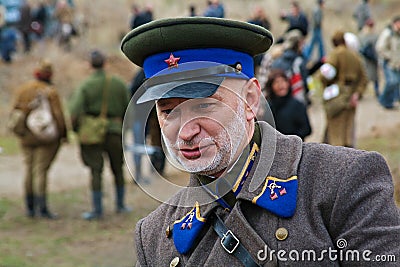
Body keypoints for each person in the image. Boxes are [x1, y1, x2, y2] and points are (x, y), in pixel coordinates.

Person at [121, 17, 399, 266]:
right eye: (169, 111)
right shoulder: (154, 235)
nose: (185, 132)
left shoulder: (343, 181)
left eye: (204, 106)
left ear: (251, 100)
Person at [69, 50, 131, 220]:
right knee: (118, 168)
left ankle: (97, 210)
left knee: (96, 170)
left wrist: (77, 129)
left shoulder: (86, 85)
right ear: (105, 63)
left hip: (93, 133)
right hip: (115, 131)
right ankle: (121, 205)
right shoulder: (119, 84)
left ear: (90, 65)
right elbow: (129, 108)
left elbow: (74, 111)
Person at [12, 59, 67, 219]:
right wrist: (63, 134)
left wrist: (20, 132)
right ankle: (42, 208)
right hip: (46, 138)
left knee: (29, 169)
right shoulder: (51, 91)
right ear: (49, 75)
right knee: (40, 171)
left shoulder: (23, 90)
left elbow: (14, 113)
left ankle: (30, 208)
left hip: (26, 137)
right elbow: (58, 115)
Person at [319, 30, 368, 147]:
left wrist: (326, 83)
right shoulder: (355, 57)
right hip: (351, 96)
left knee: (335, 131)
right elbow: (364, 79)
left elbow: (325, 74)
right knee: (348, 130)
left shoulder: (335, 54)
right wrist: (357, 94)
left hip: (337, 96)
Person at [265, 69, 312, 141]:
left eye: (283, 81)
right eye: (276, 82)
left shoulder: (297, 104)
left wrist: (290, 139)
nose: (281, 85)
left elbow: (307, 129)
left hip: (296, 146)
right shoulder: (268, 107)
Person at [271, 29, 310, 106]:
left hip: (279, 102)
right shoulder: (299, 61)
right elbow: (305, 83)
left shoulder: (277, 60)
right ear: (298, 44)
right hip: (297, 102)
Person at [375, 15, 400, 109]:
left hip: (397, 63)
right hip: (388, 62)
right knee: (392, 82)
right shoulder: (388, 33)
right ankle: (383, 100)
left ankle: (391, 101)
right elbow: (380, 48)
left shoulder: (398, 34)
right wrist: (390, 56)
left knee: (397, 82)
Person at [358, 18, 379, 97]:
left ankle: (376, 91)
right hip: (365, 59)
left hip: (373, 58)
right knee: (365, 77)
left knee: (375, 77)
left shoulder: (375, 36)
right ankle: (361, 92)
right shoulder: (362, 35)